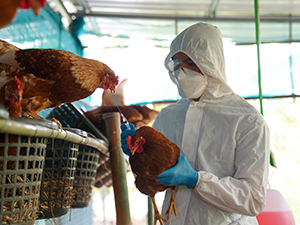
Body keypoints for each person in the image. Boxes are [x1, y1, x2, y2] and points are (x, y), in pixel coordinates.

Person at [121, 22, 270, 225]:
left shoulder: (247, 120)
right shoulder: (168, 116)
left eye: (191, 63)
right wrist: (134, 151)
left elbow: (253, 199)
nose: (182, 72)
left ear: (211, 63)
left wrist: (197, 180)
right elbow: (154, 175)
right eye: (177, 64)